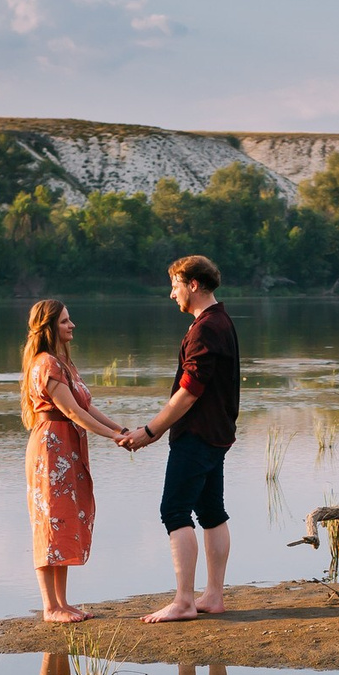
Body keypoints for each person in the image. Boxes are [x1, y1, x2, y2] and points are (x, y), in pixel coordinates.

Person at [118, 256, 239, 623]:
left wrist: (150, 432)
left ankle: (185, 601)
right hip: (217, 435)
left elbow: (188, 392)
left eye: (175, 285)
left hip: (198, 435)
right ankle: (213, 596)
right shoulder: (222, 321)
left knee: (174, 511)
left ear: (194, 284)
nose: (172, 294)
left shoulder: (205, 328)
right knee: (211, 512)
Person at [21, 298, 133, 622]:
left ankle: (62, 602)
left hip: (65, 447)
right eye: (65, 321)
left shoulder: (63, 362)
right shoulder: (47, 363)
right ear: (50, 327)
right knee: (49, 521)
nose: (72, 325)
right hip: (50, 448)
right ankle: (50, 607)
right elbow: (71, 412)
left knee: (64, 519)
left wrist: (119, 428)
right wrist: (113, 437)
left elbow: (85, 408)